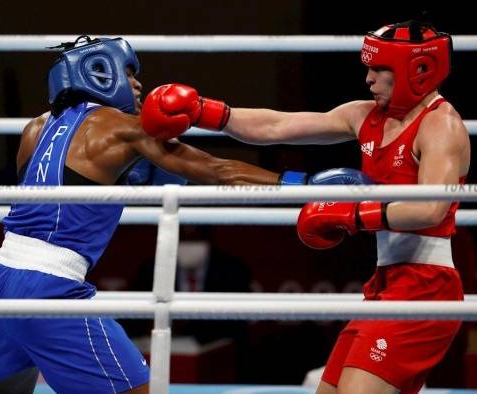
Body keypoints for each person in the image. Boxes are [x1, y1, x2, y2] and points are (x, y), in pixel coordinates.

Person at [141, 20, 469, 394]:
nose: (369, 80)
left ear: (419, 71)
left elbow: (431, 209)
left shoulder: (441, 126)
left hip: (426, 286)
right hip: (385, 283)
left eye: (380, 70)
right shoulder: (365, 116)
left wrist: (352, 214)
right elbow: (277, 126)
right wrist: (208, 113)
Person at [0, 35, 289, 394]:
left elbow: (47, 200)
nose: (139, 83)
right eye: (128, 73)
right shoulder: (123, 128)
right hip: (49, 287)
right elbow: (220, 171)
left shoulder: (34, 128)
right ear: (99, 72)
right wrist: (302, 185)